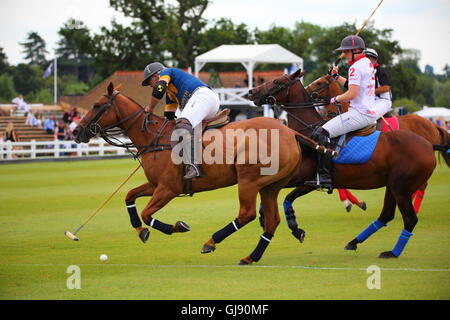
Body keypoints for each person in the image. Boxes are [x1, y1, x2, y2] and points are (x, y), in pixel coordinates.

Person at [305, 35, 377, 189]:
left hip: (359, 114)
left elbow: (351, 94)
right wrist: (336, 77)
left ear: (356, 50)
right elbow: (353, 84)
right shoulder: (367, 63)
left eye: (346, 51)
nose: (344, 55)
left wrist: (334, 99)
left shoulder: (355, 67)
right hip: (368, 112)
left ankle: (324, 177)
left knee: (320, 133)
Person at [142, 62, 220, 179]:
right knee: (180, 127)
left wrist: (150, 108)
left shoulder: (167, 72)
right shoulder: (170, 93)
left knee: (183, 123)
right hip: (206, 102)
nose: (150, 86)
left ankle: (193, 166)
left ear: (156, 76)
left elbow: (159, 88)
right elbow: (169, 116)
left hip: (202, 96)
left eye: (149, 82)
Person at [364, 48, 392, 117]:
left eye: (368, 58)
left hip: (383, 101)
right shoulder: (363, 72)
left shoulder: (380, 71)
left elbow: (385, 88)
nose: (365, 60)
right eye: (364, 58)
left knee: (369, 116)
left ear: (375, 59)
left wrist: (366, 92)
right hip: (370, 101)